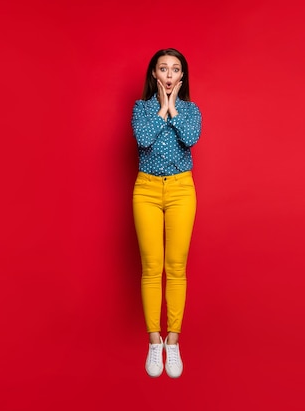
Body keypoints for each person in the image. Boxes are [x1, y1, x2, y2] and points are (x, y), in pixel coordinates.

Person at [131, 48, 202, 378]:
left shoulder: (191, 111)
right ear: (154, 76)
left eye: (175, 69)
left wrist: (174, 108)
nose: (170, 74)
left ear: (181, 77)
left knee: (176, 265)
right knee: (151, 265)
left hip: (180, 190)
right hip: (146, 190)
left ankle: (173, 340)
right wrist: (162, 108)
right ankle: (154, 340)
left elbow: (191, 138)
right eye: (164, 68)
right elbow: (143, 140)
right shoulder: (141, 109)